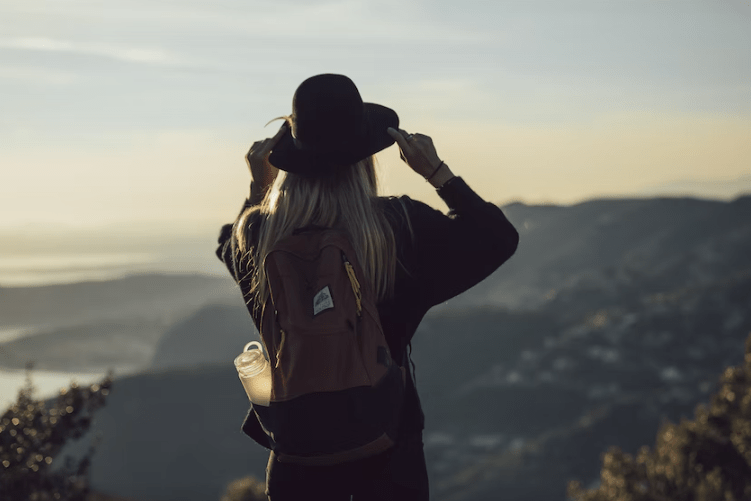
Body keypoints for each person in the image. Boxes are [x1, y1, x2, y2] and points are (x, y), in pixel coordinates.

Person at [216, 74, 519, 501]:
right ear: (365, 157)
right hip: (389, 450)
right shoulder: (400, 228)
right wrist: (437, 172)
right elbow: (497, 239)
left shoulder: (260, 237)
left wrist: (258, 189)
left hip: (297, 458)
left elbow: (228, 245)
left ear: (290, 160)